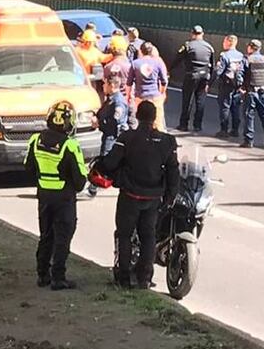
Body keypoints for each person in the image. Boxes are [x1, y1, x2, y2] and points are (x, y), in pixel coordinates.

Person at [101, 100, 179, 289]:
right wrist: (170, 196)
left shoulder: (127, 138)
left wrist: (103, 169)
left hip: (130, 194)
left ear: (137, 116)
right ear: (154, 118)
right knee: (148, 236)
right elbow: (173, 171)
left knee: (124, 235)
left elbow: (110, 163)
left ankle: (124, 277)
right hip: (153, 198)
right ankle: (144, 278)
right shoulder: (167, 142)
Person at [24, 101, 88, 290]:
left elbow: (28, 167)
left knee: (46, 235)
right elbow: (80, 181)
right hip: (64, 197)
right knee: (63, 237)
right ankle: (58, 277)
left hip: (44, 194)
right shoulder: (70, 145)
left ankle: (42, 274)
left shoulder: (35, 140)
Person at [90, 74, 130, 197]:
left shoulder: (118, 102)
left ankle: (94, 187)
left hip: (113, 137)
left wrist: (99, 124)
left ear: (111, 85)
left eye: (105, 83)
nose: (103, 86)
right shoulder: (110, 99)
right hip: (108, 136)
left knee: (105, 162)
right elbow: (102, 112)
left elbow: (115, 122)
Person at [171, 25, 214, 132]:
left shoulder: (188, 45)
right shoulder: (209, 47)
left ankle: (184, 124)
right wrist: (209, 82)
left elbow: (177, 59)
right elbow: (212, 65)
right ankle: (197, 125)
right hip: (205, 76)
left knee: (187, 100)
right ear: (202, 34)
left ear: (192, 33)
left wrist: (168, 69)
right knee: (200, 102)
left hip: (191, 76)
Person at [239, 39, 264, 148]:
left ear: (251, 47)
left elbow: (240, 75)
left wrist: (240, 87)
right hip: (263, 91)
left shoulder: (247, 59)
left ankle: (248, 141)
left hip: (250, 91)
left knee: (249, 115)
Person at [128, 42, 168, 130]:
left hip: (140, 96)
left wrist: (128, 96)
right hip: (155, 95)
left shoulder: (135, 63)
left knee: (141, 120)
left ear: (141, 51)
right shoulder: (158, 62)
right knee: (157, 122)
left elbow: (129, 83)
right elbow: (164, 80)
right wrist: (162, 93)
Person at [213, 35, 245, 139]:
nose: (223, 43)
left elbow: (219, 71)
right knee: (235, 108)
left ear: (228, 42)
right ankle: (235, 130)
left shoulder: (225, 56)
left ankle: (224, 130)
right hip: (238, 85)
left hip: (226, 85)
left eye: (224, 41)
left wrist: (213, 76)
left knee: (225, 107)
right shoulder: (241, 56)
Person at [74, 29, 107, 96]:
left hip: (85, 79)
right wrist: (113, 55)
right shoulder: (80, 51)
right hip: (84, 80)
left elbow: (103, 58)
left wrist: (112, 55)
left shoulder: (77, 50)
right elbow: (103, 58)